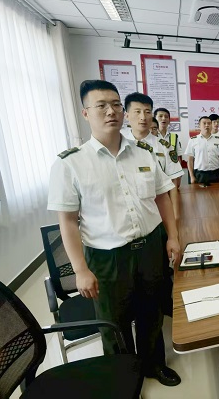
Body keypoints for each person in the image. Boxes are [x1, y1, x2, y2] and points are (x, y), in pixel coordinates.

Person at [47, 80, 182, 386]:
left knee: (152, 312)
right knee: (114, 323)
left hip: (150, 247)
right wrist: (80, 270)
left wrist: (173, 236)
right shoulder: (70, 164)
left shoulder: (144, 153)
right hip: (107, 257)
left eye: (116, 105)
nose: (111, 111)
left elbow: (163, 197)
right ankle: (124, 379)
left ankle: (154, 365)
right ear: (86, 113)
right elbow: (67, 222)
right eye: (101, 106)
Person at [123, 94, 183, 222]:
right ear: (126, 115)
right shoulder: (118, 144)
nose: (143, 117)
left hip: (160, 207)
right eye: (137, 112)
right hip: (128, 213)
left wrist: (176, 216)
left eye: (147, 112)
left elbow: (173, 182)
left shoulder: (164, 146)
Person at [185, 116, 219, 186]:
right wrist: (191, 176)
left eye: (209, 123)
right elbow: (190, 160)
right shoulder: (193, 140)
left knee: (217, 192)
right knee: (200, 193)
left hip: (215, 173)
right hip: (200, 174)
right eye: (204, 123)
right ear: (199, 126)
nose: (207, 125)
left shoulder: (218, 140)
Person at [154, 108, 182, 189]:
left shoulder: (174, 137)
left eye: (166, 117)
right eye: (160, 116)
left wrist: (179, 176)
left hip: (172, 177)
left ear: (169, 121)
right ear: (155, 119)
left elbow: (178, 158)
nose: (163, 118)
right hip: (156, 177)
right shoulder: (151, 136)